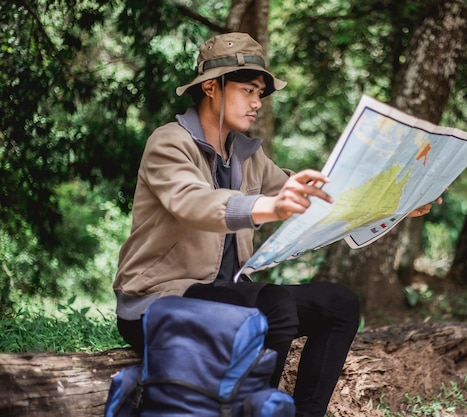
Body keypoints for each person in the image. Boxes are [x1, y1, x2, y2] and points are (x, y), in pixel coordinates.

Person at [113, 32, 437, 417]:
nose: (256, 103)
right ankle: (253, 409)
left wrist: (393, 203)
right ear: (212, 87)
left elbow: (310, 197)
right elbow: (193, 202)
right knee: (275, 306)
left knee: (339, 304)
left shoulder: (247, 155)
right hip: (161, 301)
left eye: (260, 94)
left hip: (227, 296)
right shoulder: (168, 142)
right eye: (248, 90)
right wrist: (268, 205)